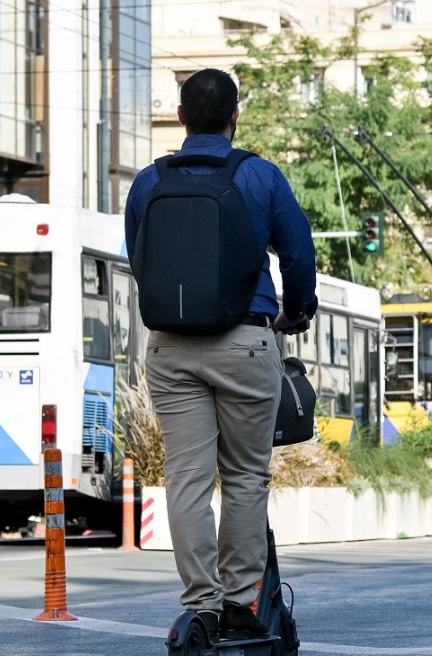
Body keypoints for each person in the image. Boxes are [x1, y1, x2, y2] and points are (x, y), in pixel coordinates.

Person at [124, 68, 319, 642]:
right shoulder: (259, 176)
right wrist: (298, 311)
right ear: (236, 117)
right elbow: (298, 254)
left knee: (185, 478)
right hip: (246, 342)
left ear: (180, 118)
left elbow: (141, 261)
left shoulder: (146, 183)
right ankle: (240, 603)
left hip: (171, 348)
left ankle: (200, 607)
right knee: (244, 476)